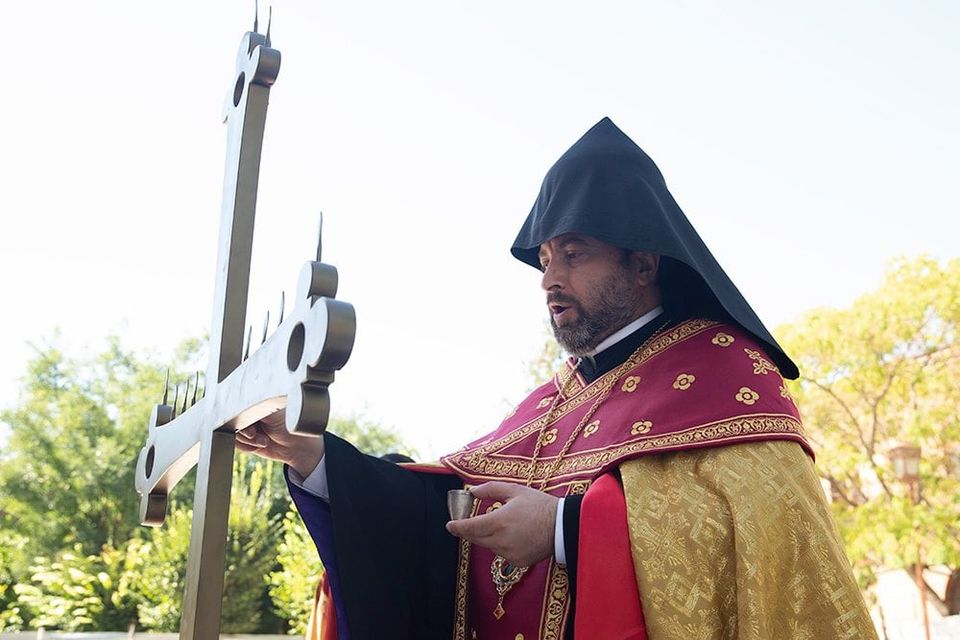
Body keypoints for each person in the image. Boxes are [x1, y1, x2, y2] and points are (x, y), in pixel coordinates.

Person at [238, 118, 877, 640]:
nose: (550, 279)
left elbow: (760, 554)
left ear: (644, 260)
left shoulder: (725, 373)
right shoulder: (554, 399)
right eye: (544, 261)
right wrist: (314, 456)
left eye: (574, 254)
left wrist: (566, 531)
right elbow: (441, 514)